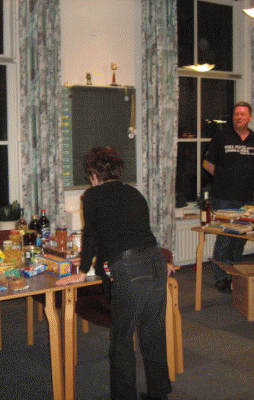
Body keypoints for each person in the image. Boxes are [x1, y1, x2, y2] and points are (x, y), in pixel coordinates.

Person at [56, 147, 172, 400]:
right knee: (153, 335)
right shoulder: (134, 193)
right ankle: (159, 395)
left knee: (121, 341)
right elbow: (138, 233)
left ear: (94, 175)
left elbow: (91, 235)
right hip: (156, 262)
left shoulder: (92, 196)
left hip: (132, 271)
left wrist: (83, 270)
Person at [202, 102, 254, 293]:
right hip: (223, 197)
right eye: (236, 114)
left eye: (242, 114)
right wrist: (223, 178)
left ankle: (234, 272)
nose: (238, 117)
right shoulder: (221, 137)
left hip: (246, 198)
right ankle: (221, 277)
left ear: (249, 117)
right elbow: (207, 164)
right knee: (225, 238)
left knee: (240, 239)